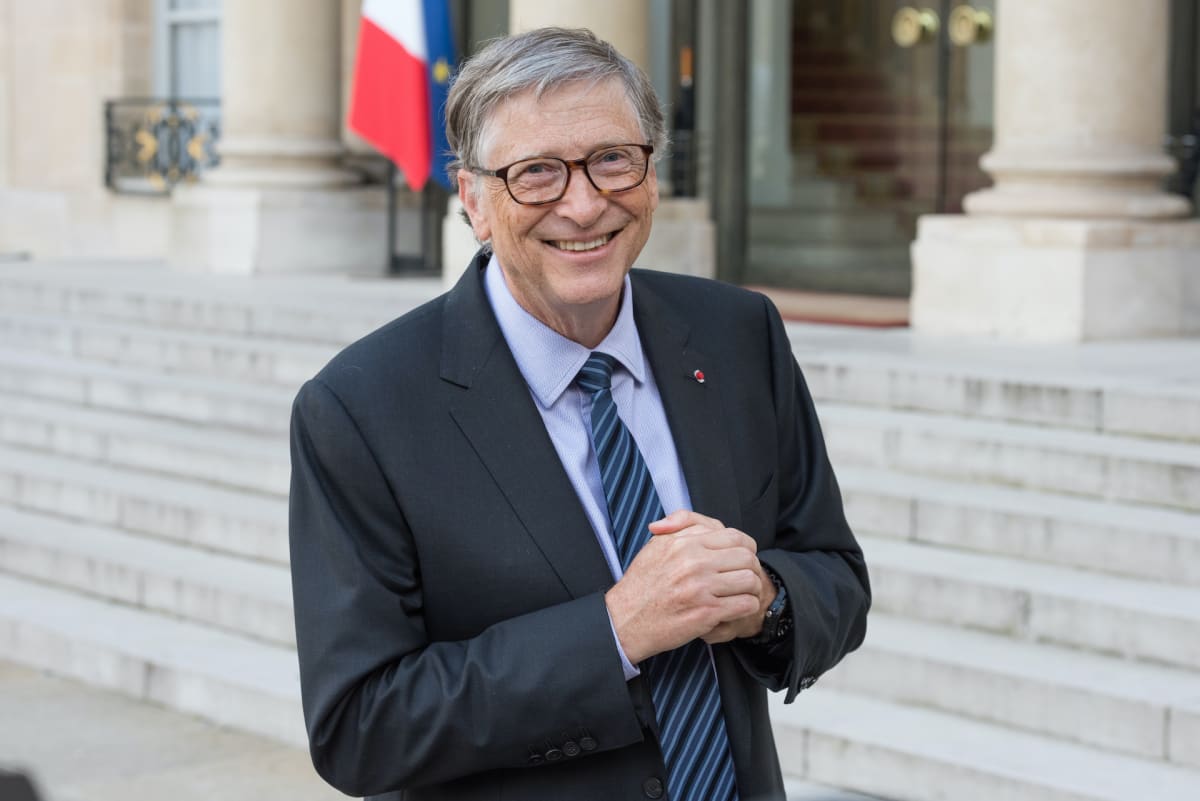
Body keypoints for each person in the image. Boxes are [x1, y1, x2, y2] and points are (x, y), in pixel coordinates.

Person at [289, 27, 870, 801]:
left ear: (652, 173)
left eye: (612, 159)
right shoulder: (360, 408)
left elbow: (836, 575)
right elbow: (361, 727)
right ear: (473, 201)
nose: (586, 202)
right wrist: (616, 630)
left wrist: (765, 599)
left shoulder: (738, 333)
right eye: (536, 172)